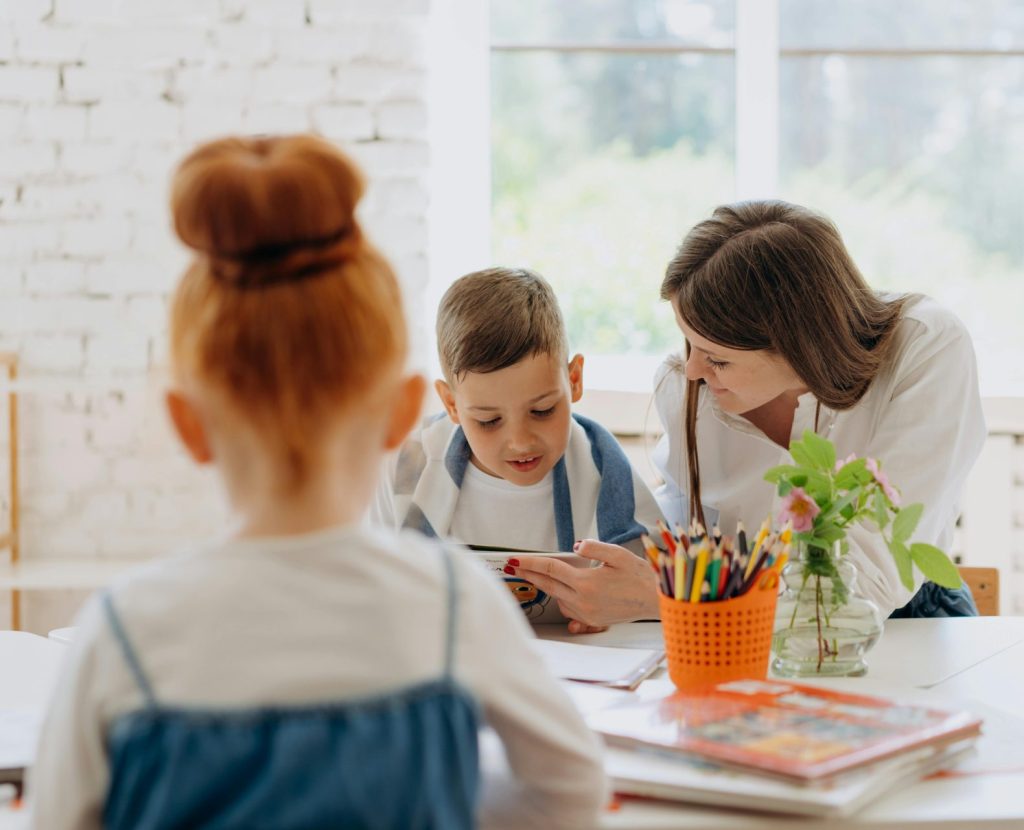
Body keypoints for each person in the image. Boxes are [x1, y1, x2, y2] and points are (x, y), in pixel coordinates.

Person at [28, 136, 607, 829]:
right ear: (403, 411)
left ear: (188, 424)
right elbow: (569, 793)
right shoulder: (455, 606)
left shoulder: (121, 633)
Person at [508, 200, 983, 624]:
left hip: (907, 624)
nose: (692, 370)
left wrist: (665, 598)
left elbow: (863, 585)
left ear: (800, 345)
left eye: (717, 357)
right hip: (735, 625)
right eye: (687, 341)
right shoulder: (685, 384)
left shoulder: (925, 347)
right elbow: (689, 527)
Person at [372, 266, 665, 627]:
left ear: (573, 380)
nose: (521, 441)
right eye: (488, 421)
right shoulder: (406, 466)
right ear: (450, 404)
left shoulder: (604, 469)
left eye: (542, 411)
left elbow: (667, 591)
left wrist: (626, 606)